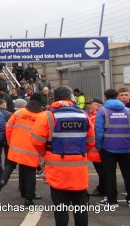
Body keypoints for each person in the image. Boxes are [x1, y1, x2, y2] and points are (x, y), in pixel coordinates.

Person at [30, 85, 94, 226]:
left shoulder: (47, 115)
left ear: (54, 98)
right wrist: (80, 152)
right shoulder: (83, 115)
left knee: (60, 205)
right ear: (71, 97)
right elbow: (91, 141)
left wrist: (45, 153)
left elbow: (36, 139)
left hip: (56, 165)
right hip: (79, 165)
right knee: (80, 204)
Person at [0, 93, 44, 206]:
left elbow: (8, 127)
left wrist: (11, 141)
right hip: (32, 148)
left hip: (16, 145)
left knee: (10, 165)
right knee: (30, 173)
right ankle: (29, 198)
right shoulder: (42, 116)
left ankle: (3, 180)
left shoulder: (19, 112)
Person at [95, 88, 130, 207]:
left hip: (108, 147)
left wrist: (98, 146)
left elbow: (99, 131)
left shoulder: (102, 111)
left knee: (109, 174)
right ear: (117, 97)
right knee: (128, 173)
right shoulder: (128, 111)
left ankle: (112, 200)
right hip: (126, 147)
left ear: (105, 97)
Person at [85, 98, 106, 197]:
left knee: (102, 171)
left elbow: (93, 133)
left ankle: (103, 189)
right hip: (96, 149)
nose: (89, 106)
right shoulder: (93, 116)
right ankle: (102, 188)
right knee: (102, 171)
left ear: (97, 106)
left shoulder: (96, 116)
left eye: (91, 104)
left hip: (96, 149)